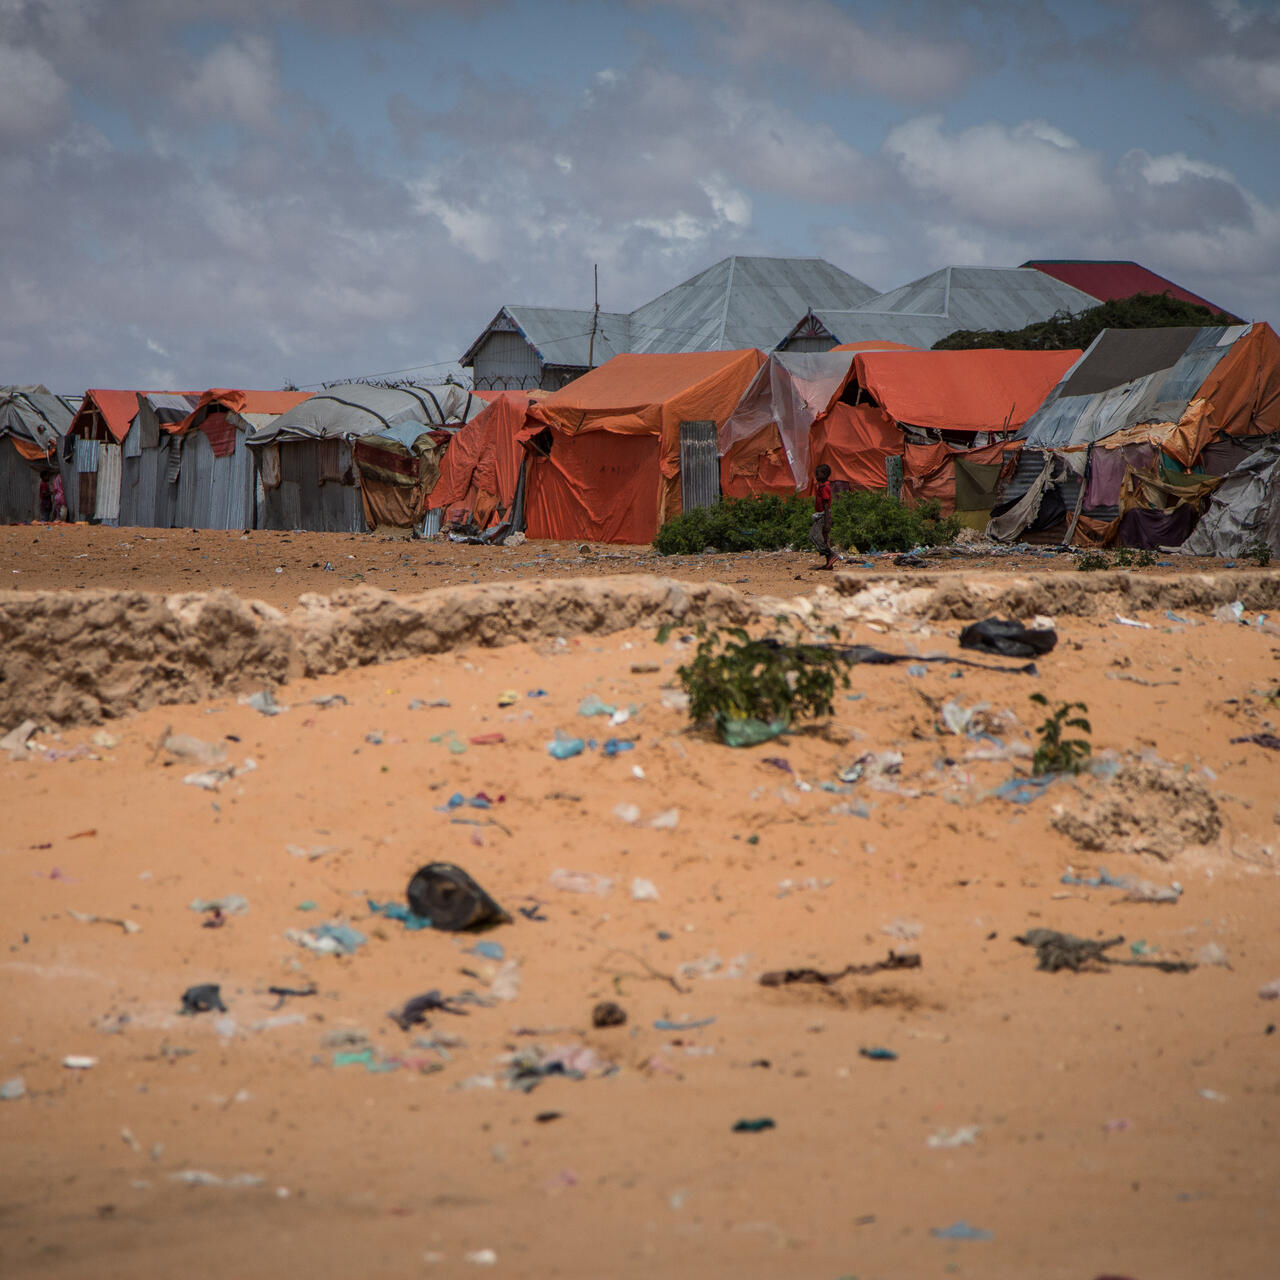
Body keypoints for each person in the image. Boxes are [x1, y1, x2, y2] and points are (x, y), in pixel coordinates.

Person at [809, 463, 840, 570]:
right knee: (825, 539)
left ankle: (831, 555)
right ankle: (829, 563)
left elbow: (826, 505)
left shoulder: (825, 488)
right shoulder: (821, 486)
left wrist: (827, 521)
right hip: (823, 515)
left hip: (823, 516)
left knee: (814, 536)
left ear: (825, 474)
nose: (816, 476)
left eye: (819, 474)